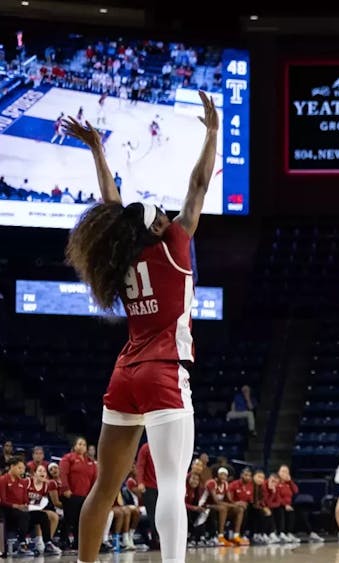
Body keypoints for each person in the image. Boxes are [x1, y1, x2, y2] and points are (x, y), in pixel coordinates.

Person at [61, 90, 218, 563]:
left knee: (106, 487)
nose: (172, 217)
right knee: (170, 484)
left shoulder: (120, 255)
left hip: (124, 373)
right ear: (156, 228)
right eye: (165, 216)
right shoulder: (173, 243)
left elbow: (112, 208)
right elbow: (198, 185)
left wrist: (97, 151)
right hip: (163, 370)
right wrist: (212, 133)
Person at [59, 436, 97, 551]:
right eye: (79, 444)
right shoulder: (68, 458)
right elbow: (63, 474)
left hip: (85, 496)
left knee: (81, 520)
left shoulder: (90, 462)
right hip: (71, 494)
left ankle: (78, 542)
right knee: (69, 519)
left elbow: (94, 479)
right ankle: (63, 541)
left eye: (84, 445)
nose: (82, 446)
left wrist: (92, 494)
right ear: (75, 446)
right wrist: (65, 489)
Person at [0, 457, 41, 556]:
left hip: (20, 510)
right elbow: (2, 500)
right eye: (19, 468)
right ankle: (22, 543)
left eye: (23, 469)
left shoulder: (22, 482)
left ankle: (44, 543)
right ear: (12, 466)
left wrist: (28, 505)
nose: (22, 471)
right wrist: (16, 506)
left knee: (41, 516)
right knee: (24, 515)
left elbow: (25, 499)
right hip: (7, 510)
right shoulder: (3, 480)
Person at [204, 467, 247, 546]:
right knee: (223, 508)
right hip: (206, 505)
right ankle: (220, 536)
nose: (223, 477)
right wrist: (233, 505)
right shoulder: (211, 483)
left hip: (218, 506)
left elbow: (230, 500)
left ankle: (236, 536)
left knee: (239, 509)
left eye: (225, 475)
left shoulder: (225, 484)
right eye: (221, 474)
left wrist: (237, 503)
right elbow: (216, 501)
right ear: (217, 475)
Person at [26, 463, 61, 554]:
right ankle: (39, 542)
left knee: (52, 516)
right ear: (34, 473)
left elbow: (43, 504)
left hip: (35, 509)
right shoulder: (27, 482)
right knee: (41, 515)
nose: (42, 473)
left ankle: (48, 542)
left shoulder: (46, 486)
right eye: (40, 471)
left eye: (44, 471)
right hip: (24, 509)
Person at [134, 442, 159, 548]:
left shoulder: (163, 446)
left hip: (162, 486)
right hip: (149, 487)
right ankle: (155, 539)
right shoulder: (146, 448)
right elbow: (140, 465)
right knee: (153, 514)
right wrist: (140, 482)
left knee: (161, 514)